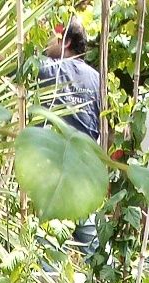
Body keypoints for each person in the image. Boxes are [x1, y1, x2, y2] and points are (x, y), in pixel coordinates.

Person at [38, 17, 102, 252]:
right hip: (86, 171)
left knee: (47, 244)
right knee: (90, 246)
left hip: (54, 172)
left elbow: (9, 62)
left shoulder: (48, 69)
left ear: (64, 42)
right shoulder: (97, 79)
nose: (46, 42)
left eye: (51, 35)